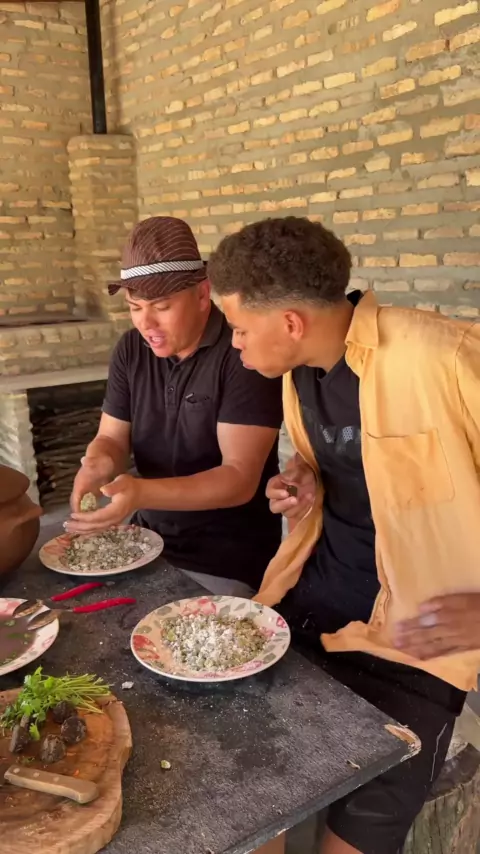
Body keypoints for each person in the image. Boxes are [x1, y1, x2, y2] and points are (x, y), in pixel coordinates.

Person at [208, 215, 480, 854]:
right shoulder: (299, 375)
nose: (235, 345)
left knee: (354, 834)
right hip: (308, 610)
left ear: (290, 323)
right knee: (245, 811)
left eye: (239, 328)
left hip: (414, 646)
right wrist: (304, 479)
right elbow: (358, 466)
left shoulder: (444, 356)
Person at [67, 216, 283, 597]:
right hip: (146, 537)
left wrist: (140, 492)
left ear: (202, 295)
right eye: (135, 307)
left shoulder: (242, 353)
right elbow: (111, 438)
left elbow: (239, 478)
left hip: (226, 555)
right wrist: (97, 464)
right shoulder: (131, 350)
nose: (146, 323)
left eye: (161, 306)